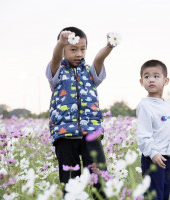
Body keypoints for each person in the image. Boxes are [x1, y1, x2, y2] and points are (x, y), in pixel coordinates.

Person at [46, 26, 116, 198]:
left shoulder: (90, 73)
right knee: (70, 180)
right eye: (73, 49)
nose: (79, 54)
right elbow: (55, 58)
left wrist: (109, 46)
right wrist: (60, 43)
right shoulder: (57, 72)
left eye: (83, 49)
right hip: (64, 134)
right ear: (63, 50)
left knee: (99, 176)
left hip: (91, 132)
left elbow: (99, 59)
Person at [136, 59, 170, 200]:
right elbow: (143, 134)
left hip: (164, 157)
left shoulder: (166, 104)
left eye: (156, 76)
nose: (151, 79)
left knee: (164, 194)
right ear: (141, 82)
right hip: (152, 157)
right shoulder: (145, 105)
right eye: (147, 76)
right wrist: (153, 153)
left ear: (165, 80)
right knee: (154, 196)